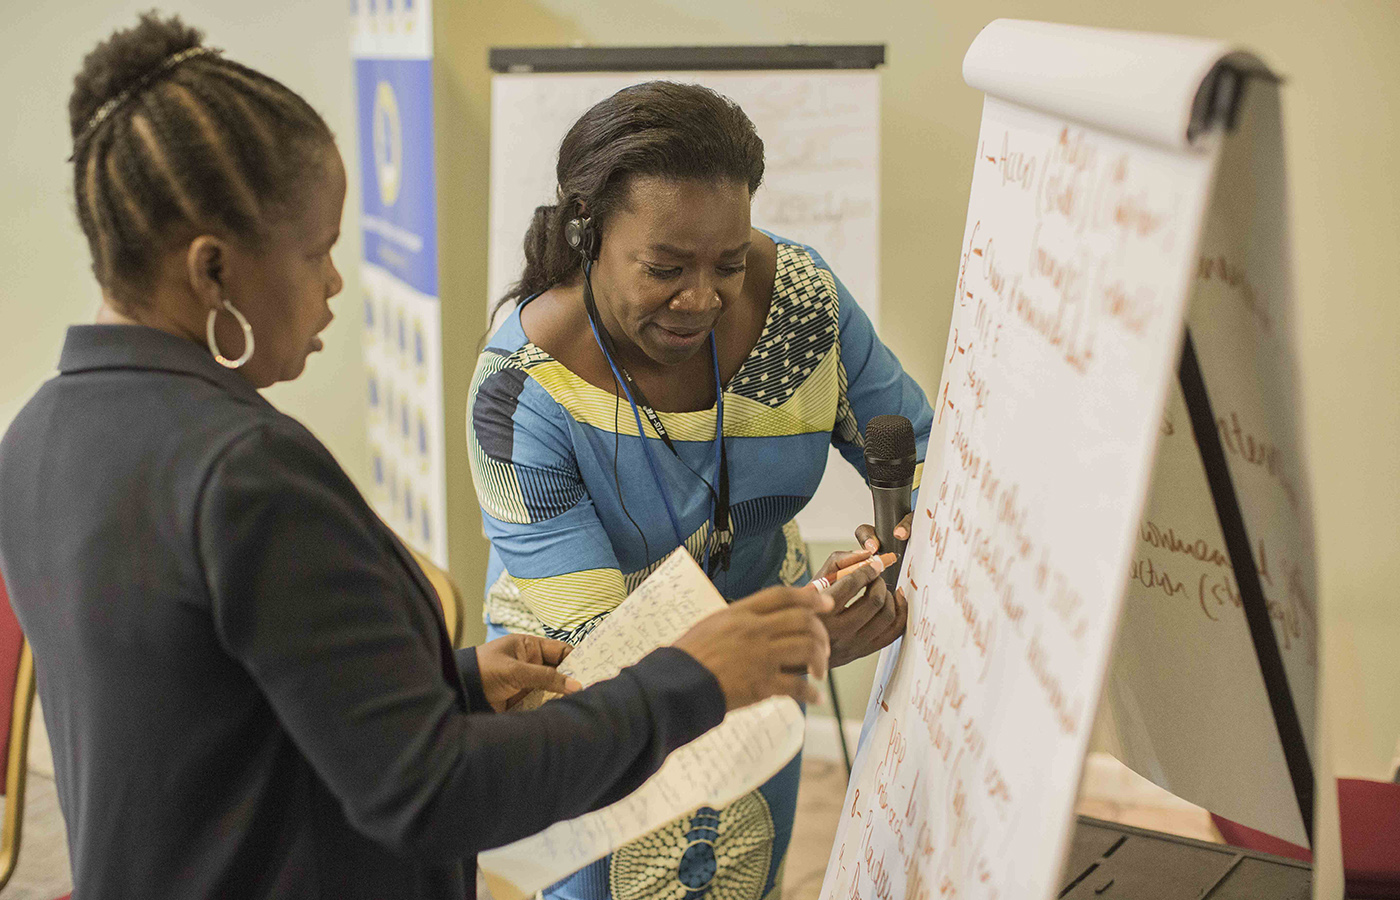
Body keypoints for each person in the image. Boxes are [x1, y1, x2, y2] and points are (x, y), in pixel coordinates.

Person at [0, 16, 883, 900]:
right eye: (319, 253)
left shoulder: (37, 436)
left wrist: (448, 682)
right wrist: (693, 680)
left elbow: (217, 715)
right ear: (212, 271)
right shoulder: (246, 476)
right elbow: (431, 796)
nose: (337, 282)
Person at [468, 81, 934, 900]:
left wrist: (892, 551)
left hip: (765, 659)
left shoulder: (800, 304)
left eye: (729, 260)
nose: (703, 298)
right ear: (588, 233)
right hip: (596, 700)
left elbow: (917, 454)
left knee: (743, 874)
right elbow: (607, 660)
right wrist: (802, 638)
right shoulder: (520, 395)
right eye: (665, 268)